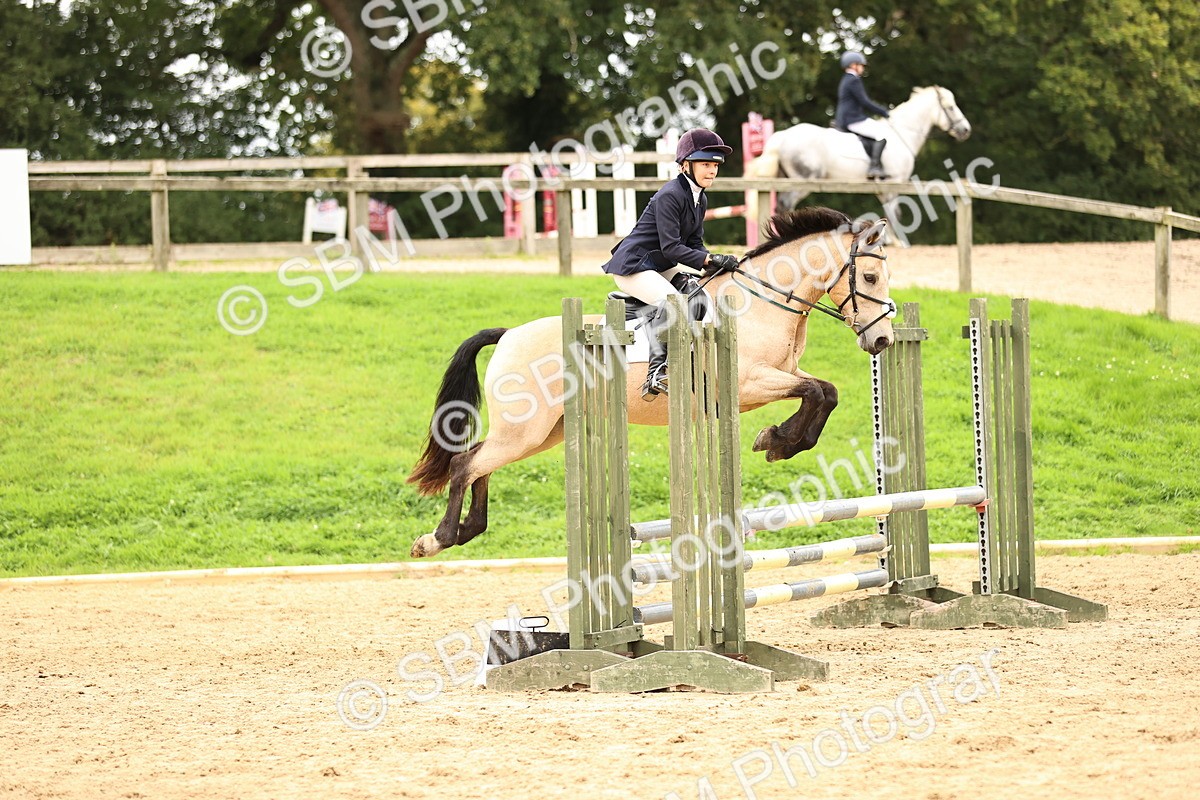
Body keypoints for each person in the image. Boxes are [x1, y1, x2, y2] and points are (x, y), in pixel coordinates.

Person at [601, 128, 740, 400]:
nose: (712, 170)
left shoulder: (699, 197)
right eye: (705, 164)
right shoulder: (670, 195)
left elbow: (695, 244)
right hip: (634, 266)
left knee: (698, 296)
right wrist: (708, 260)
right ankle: (656, 372)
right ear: (685, 165)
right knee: (672, 302)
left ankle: (689, 359)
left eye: (714, 165)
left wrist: (713, 263)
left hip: (659, 264)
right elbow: (672, 247)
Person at [835, 51, 891, 180]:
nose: (863, 68)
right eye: (861, 65)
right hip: (852, 119)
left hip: (847, 117)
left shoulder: (846, 80)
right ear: (853, 65)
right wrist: (883, 112)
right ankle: (874, 167)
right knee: (882, 133)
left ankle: (875, 164)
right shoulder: (853, 80)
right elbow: (865, 101)